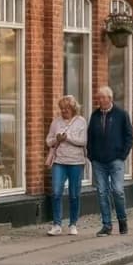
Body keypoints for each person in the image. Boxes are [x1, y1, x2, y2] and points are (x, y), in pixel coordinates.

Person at [87, 85, 133, 237]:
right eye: (98, 97)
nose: (99, 100)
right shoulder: (94, 116)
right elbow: (90, 137)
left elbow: (129, 136)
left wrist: (123, 155)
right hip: (98, 161)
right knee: (102, 192)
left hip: (116, 160)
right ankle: (106, 225)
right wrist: (91, 156)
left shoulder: (121, 114)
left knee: (118, 191)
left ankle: (122, 220)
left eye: (102, 97)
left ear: (110, 98)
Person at [44, 95, 88, 236]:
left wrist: (67, 138)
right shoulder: (56, 122)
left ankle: (73, 224)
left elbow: (83, 141)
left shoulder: (81, 122)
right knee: (56, 192)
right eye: (62, 109)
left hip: (76, 162)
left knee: (74, 194)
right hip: (59, 162)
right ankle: (57, 224)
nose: (64, 111)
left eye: (67, 108)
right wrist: (55, 140)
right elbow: (48, 140)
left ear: (73, 108)